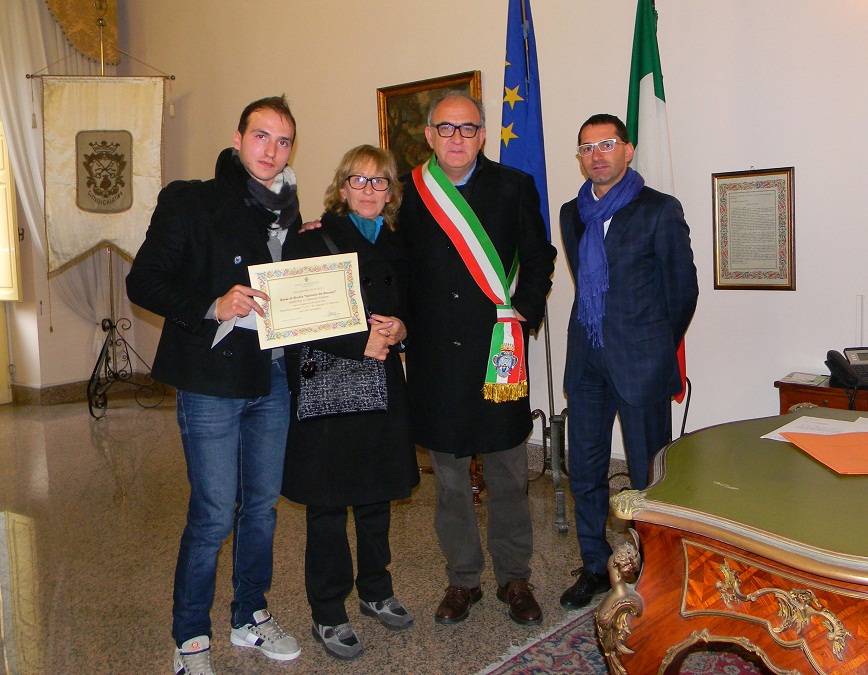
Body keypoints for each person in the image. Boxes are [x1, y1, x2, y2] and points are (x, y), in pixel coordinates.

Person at [126, 95, 303, 674]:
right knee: (211, 514)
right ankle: (190, 634)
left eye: (283, 141)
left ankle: (251, 613)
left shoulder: (292, 213)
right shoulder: (191, 200)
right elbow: (145, 282)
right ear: (238, 137)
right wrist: (211, 304)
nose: (271, 151)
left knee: (262, 510)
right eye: (261, 136)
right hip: (211, 383)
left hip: (271, 379)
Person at [399, 91, 556, 626]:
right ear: (429, 135)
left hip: (499, 353)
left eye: (468, 129)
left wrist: (522, 315)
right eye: (446, 129)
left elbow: (539, 258)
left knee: (509, 473)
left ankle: (515, 578)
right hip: (436, 360)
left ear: (483, 134)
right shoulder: (408, 194)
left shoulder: (514, 187)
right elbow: (388, 261)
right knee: (449, 481)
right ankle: (463, 579)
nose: (457, 139)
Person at [281, 145, 419, 660]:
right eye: (357, 180)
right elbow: (297, 313)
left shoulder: (398, 241)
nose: (367, 189)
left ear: (390, 193)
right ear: (341, 188)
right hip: (328, 379)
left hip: (383, 378)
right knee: (328, 501)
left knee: (376, 494)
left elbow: (412, 305)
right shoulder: (312, 240)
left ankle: (377, 590)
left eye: (378, 181)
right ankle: (328, 610)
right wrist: (356, 340)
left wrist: (402, 329)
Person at [559, 113, 698, 609]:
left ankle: (655, 569)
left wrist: (654, 343)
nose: (597, 155)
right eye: (586, 147)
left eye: (607, 144)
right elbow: (583, 280)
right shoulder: (571, 213)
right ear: (580, 157)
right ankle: (595, 565)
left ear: (628, 149)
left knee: (647, 474)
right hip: (586, 364)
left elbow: (682, 292)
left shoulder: (659, 209)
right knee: (588, 471)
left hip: (641, 364)